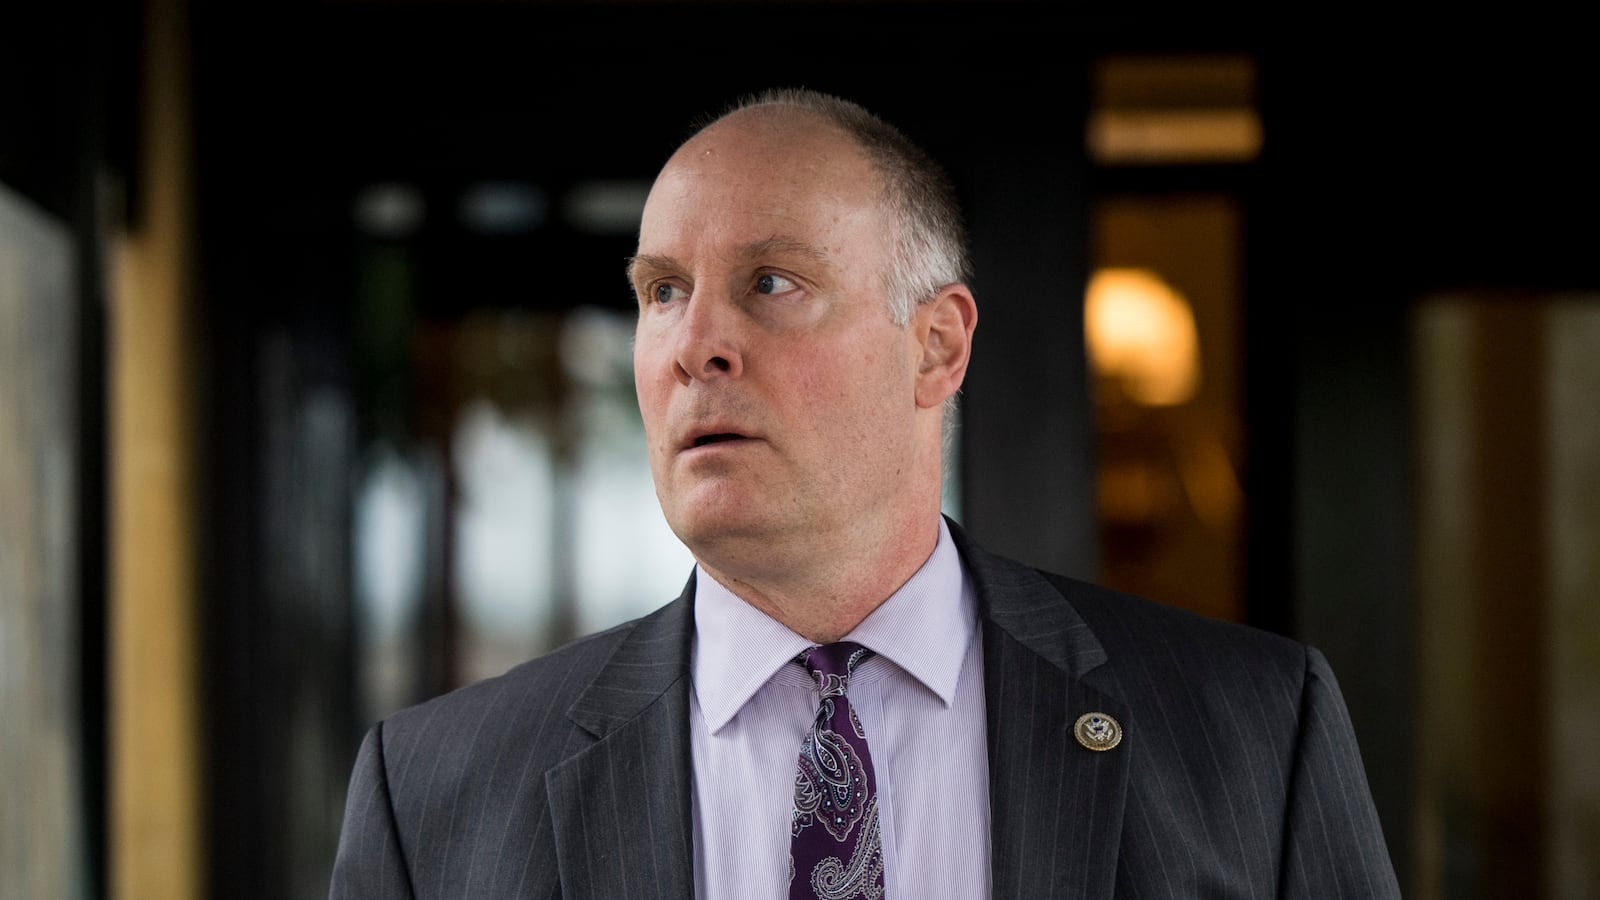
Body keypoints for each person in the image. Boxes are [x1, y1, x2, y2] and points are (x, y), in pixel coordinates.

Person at [330, 87, 1401, 899]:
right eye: (663, 292)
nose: (695, 345)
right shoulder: (432, 796)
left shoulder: (1254, 734)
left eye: (770, 283)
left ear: (936, 347)